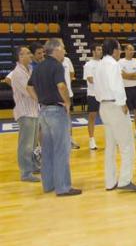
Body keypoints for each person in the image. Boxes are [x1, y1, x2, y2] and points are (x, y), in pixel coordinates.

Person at [27, 38, 82, 196]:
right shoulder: (57, 66)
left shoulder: (39, 66)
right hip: (56, 111)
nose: (65, 51)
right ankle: (63, 187)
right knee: (61, 150)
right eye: (63, 48)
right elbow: (61, 86)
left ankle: (48, 185)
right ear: (56, 49)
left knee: (48, 150)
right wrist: (67, 102)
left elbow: (29, 86)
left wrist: (39, 99)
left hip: (43, 111)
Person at [94, 38, 136, 192]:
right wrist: (123, 104)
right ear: (114, 50)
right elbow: (116, 86)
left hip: (103, 106)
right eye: (120, 48)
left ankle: (110, 182)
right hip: (115, 106)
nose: (120, 51)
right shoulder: (113, 65)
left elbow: (96, 88)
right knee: (127, 145)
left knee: (110, 147)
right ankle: (125, 181)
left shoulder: (99, 65)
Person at [10, 46, 40, 182]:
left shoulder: (31, 69)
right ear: (20, 57)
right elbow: (29, 91)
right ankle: (26, 172)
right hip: (25, 112)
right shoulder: (18, 73)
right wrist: (44, 98)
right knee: (26, 144)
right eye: (27, 53)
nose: (30, 55)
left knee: (33, 143)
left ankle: (33, 166)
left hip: (33, 111)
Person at [118, 44, 136, 140]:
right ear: (125, 50)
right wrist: (133, 74)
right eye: (130, 50)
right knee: (125, 112)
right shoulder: (120, 62)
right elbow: (122, 76)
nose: (132, 52)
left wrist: (129, 75)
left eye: (133, 50)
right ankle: (124, 133)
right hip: (125, 89)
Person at [83, 43, 102, 150]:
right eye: (98, 49)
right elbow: (90, 79)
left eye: (101, 49)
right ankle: (91, 140)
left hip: (104, 94)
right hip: (93, 94)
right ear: (93, 51)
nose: (101, 51)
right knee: (92, 117)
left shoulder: (105, 63)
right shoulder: (88, 64)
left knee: (108, 117)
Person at [62, 55, 80, 149]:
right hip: (57, 95)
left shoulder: (67, 60)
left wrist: (67, 83)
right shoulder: (51, 61)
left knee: (68, 117)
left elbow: (72, 73)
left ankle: (69, 139)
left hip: (68, 93)